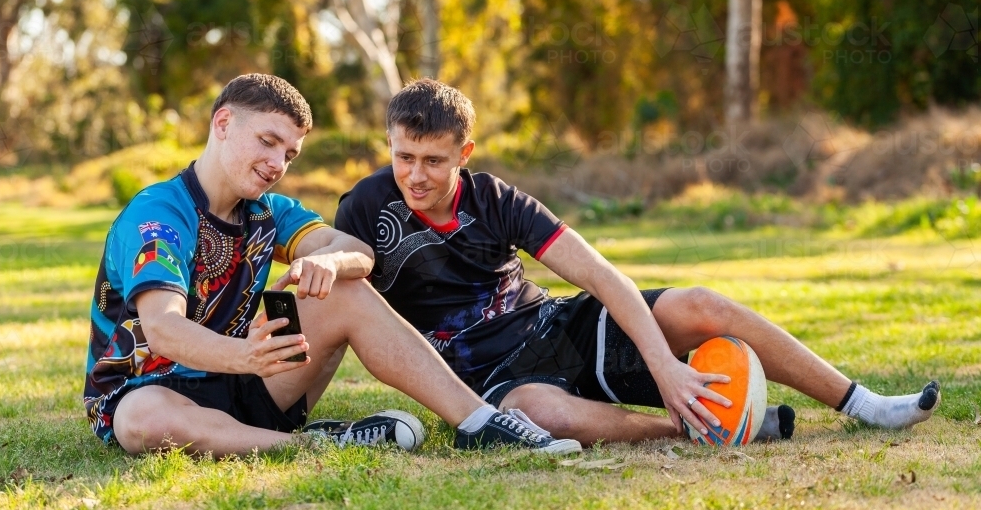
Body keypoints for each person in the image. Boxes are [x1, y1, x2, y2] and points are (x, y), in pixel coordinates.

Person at [335, 79, 941, 446]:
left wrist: (666, 369)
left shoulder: (495, 199)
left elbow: (601, 276)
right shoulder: (364, 204)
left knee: (700, 304)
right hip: (483, 381)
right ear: (390, 144)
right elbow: (344, 282)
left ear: (463, 154)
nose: (416, 174)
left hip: (552, 329)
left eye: (433, 161)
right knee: (538, 413)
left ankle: (863, 404)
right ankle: (705, 429)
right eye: (403, 156)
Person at [83, 73, 581, 457]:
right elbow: (164, 329)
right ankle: (316, 444)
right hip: (146, 392)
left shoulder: (270, 212)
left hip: (245, 385)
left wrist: (332, 260)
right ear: (223, 123)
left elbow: (359, 250)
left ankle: (479, 423)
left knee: (345, 286)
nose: (278, 164)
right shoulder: (159, 214)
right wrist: (247, 356)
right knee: (141, 421)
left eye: (290, 153)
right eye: (267, 141)